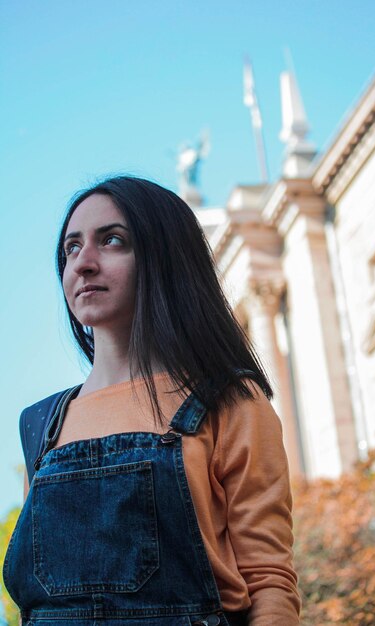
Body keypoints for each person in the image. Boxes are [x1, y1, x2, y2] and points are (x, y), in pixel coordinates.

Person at [3, 176, 301, 626]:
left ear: (164, 258)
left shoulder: (230, 402)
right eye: (71, 248)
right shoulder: (40, 424)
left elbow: (269, 583)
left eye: (112, 241)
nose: (83, 263)